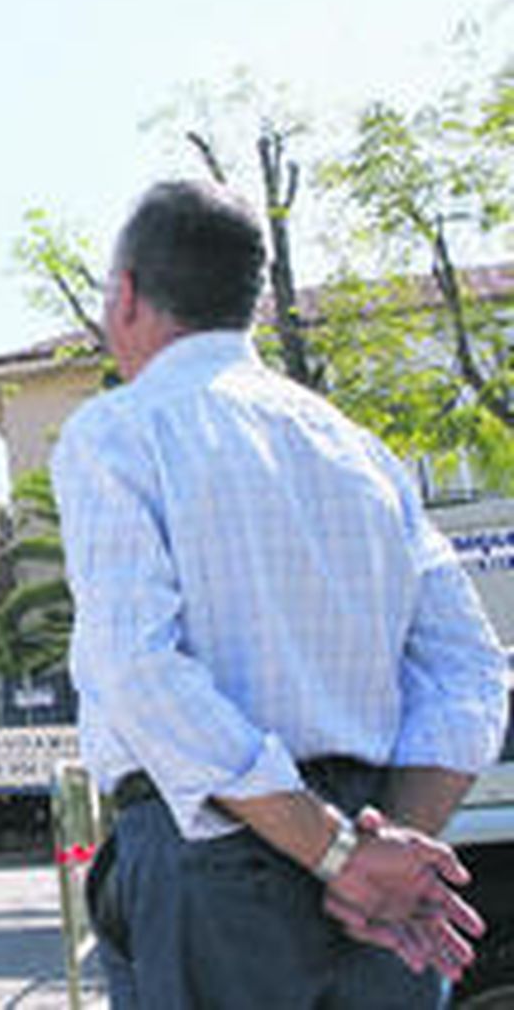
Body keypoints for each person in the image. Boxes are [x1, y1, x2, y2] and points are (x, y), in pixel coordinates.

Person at [50, 179, 509, 1008]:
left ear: (124, 297)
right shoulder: (362, 454)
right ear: (250, 303)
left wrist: (337, 854)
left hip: (211, 862)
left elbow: (139, 669)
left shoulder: (117, 433)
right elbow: (475, 670)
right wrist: (381, 848)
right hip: (379, 885)